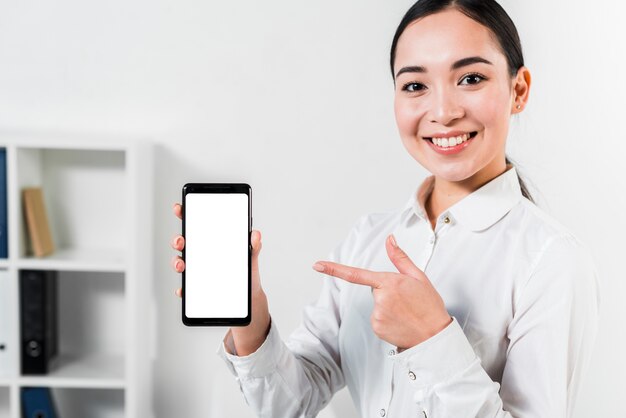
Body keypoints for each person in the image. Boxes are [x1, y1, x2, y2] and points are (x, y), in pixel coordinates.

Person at [170, 0, 600, 416]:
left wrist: (431, 339)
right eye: (415, 85)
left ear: (518, 90)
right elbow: (289, 403)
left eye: (470, 78)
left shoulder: (552, 260)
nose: (444, 112)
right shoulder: (368, 239)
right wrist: (249, 311)